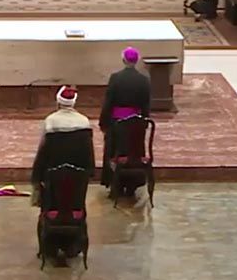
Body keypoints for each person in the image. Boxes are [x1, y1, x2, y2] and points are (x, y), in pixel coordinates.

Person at [31, 86, 95, 266]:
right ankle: (73, 244)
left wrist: (37, 178)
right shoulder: (84, 122)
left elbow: (42, 153)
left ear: (58, 101)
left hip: (52, 182)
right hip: (77, 185)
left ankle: (47, 247)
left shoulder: (50, 122)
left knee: (50, 200)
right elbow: (89, 158)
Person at [99, 47, 152, 194]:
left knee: (114, 151)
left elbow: (109, 101)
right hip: (136, 124)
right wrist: (144, 122)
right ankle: (132, 185)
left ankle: (115, 184)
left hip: (117, 123)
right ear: (137, 61)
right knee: (133, 151)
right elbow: (146, 104)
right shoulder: (144, 80)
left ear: (123, 60)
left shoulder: (116, 78)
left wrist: (104, 122)